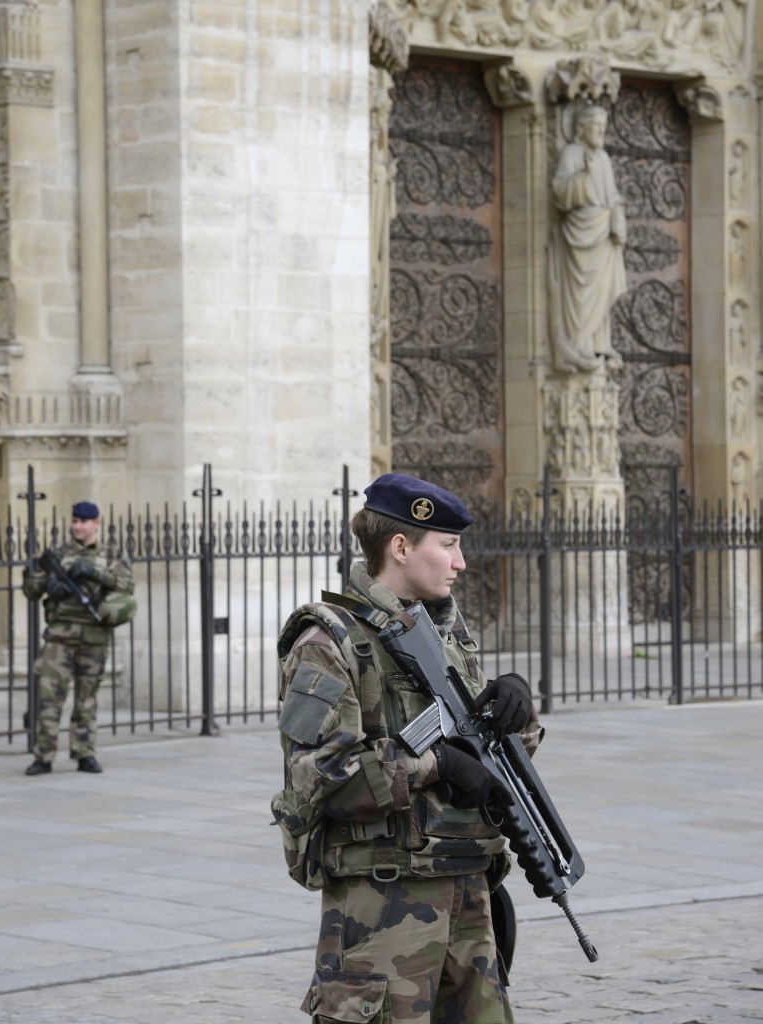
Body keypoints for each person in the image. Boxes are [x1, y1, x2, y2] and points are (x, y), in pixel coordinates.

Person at [274, 473, 543, 1024]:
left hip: (467, 889)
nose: (460, 562)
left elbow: (487, 761)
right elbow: (321, 776)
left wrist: (515, 712)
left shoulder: (441, 634)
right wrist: (435, 763)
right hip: (383, 903)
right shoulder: (327, 644)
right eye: (447, 546)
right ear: (400, 547)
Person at [22, 501, 135, 776]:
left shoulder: (111, 555)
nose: (78, 526)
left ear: (97, 523)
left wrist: (94, 571)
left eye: (84, 522)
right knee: (49, 699)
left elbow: (127, 584)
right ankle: (43, 756)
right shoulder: (57, 555)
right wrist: (48, 585)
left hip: (94, 639)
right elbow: (30, 588)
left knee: (87, 700)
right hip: (59, 638)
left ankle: (85, 754)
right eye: (75, 521)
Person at [549, 103, 628, 373]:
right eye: (595, 126)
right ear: (581, 129)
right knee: (580, 291)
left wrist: (617, 209)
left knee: (601, 289)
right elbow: (560, 190)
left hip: (603, 233)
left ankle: (599, 343)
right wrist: (581, 177)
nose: (600, 132)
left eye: (603, 127)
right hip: (581, 232)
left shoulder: (604, 158)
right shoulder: (572, 153)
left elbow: (611, 193)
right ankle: (578, 343)